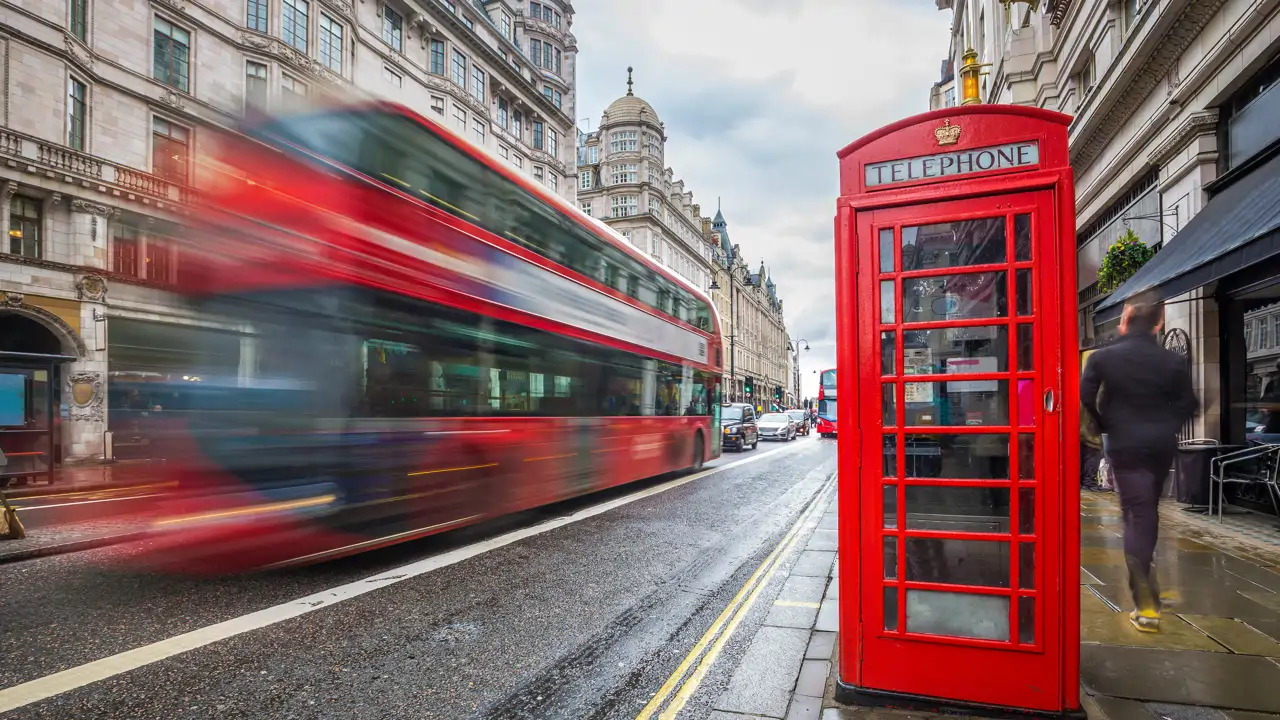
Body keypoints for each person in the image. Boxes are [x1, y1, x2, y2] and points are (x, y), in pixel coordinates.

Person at [1080, 298, 1196, 632]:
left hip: (1124, 443)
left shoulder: (1104, 357)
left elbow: (1085, 397)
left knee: (1136, 514)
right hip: (1160, 446)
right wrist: (1167, 425)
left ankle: (1146, 605)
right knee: (1147, 511)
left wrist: (1105, 423)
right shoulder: (1171, 360)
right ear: (1158, 324)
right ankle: (1146, 592)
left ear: (1125, 320)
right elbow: (1190, 403)